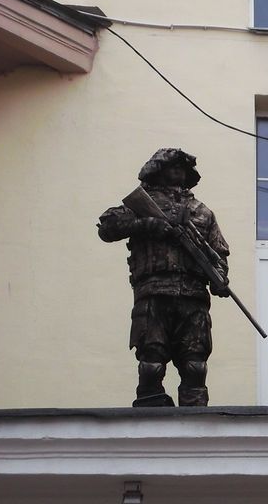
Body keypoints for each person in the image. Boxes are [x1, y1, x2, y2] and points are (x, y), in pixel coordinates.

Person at [98, 148, 230, 407]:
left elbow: (219, 253)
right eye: (172, 165)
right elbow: (107, 227)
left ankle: (195, 423)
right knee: (151, 364)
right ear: (157, 170)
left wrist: (220, 279)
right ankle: (150, 417)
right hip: (154, 293)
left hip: (193, 297)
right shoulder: (141, 203)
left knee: (195, 366)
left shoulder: (202, 212)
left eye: (183, 167)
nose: (178, 171)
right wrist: (146, 225)